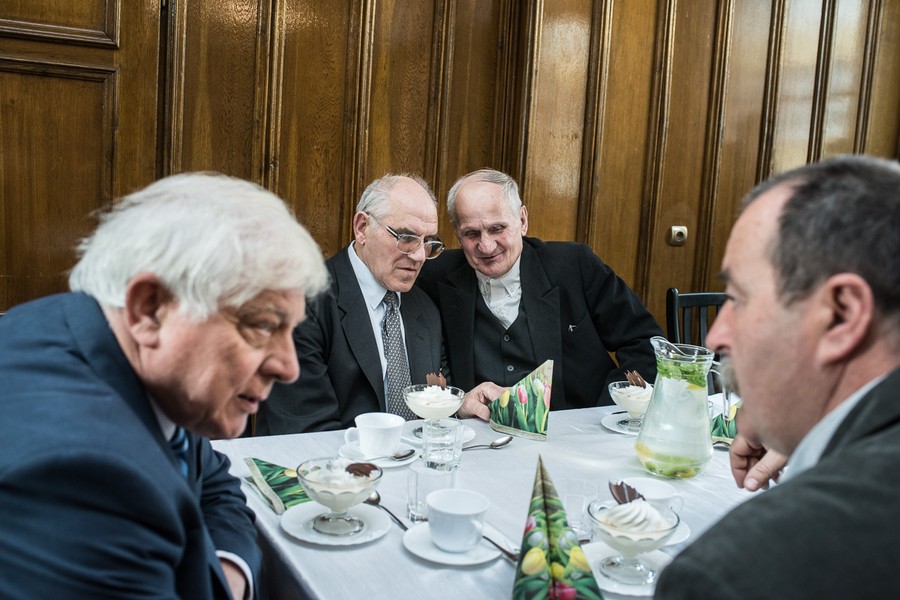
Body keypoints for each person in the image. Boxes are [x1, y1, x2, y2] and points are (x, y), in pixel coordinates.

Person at [0, 173, 329, 599]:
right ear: (149, 308)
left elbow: (215, 483)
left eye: (290, 330)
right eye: (264, 325)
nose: (289, 368)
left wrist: (226, 572)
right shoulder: (87, 477)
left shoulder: (108, 343)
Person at [655, 155, 900, 599]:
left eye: (737, 299)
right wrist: (804, 428)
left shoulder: (731, 576)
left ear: (841, 315)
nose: (715, 335)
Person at [256, 174, 501, 434]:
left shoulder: (425, 308)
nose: (419, 256)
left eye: (428, 242)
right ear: (362, 228)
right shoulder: (300, 304)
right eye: (407, 237)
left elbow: (432, 402)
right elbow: (306, 430)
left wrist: (459, 407)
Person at [417, 168, 662, 418]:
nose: (486, 246)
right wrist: (457, 406)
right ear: (457, 233)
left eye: (497, 228)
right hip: (482, 431)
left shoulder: (574, 266)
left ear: (522, 220)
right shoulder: (433, 277)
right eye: (471, 233)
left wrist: (608, 412)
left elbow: (646, 343)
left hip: (579, 429)